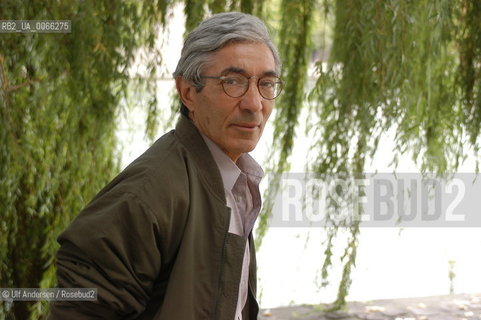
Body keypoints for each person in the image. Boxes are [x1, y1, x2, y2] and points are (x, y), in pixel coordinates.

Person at [48, 11, 282, 320]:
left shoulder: (234, 182)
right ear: (188, 92)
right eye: (233, 82)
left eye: (266, 83)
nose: (254, 103)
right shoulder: (145, 197)